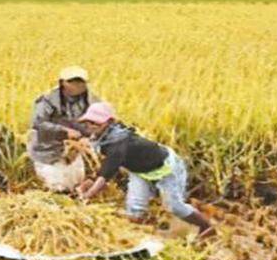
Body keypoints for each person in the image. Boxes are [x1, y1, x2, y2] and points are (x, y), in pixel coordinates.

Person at [76, 102, 215, 239]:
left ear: (110, 122)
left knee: (174, 206)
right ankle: (140, 237)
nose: (91, 127)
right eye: (88, 122)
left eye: (96, 123)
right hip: (140, 172)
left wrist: (87, 196)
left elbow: (107, 172)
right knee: (134, 210)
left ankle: (206, 228)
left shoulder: (119, 142)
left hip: (166, 167)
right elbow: (102, 165)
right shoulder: (101, 137)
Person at [27, 65, 101, 192]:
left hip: (75, 150)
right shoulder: (47, 100)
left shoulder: (92, 101)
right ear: (62, 83)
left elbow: (100, 122)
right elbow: (38, 124)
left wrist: (89, 137)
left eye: (80, 81)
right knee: (55, 186)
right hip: (48, 149)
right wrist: (64, 131)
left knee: (75, 184)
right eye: (71, 81)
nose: (77, 85)